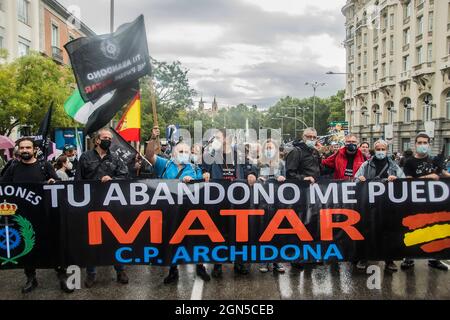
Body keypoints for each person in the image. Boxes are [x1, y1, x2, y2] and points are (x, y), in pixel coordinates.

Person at [1, 137, 73, 293]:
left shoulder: (44, 165)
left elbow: (57, 183)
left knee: (54, 245)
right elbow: (3, 187)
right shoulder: (13, 167)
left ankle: (62, 276)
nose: (25, 150)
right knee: (28, 247)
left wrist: (53, 181)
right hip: (23, 216)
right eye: (22, 148)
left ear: (34, 149)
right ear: (18, 150)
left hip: (46, 214)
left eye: (28, 147)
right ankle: (31, 278)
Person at [145, 127, 211, 284]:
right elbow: (149, 155)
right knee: (172, 239)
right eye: (180, 151)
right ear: (173, 153)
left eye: (186, 152)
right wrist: (152, 138)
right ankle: (173, 270)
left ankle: (200, 266)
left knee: (196, 238)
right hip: (170, 211)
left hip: (190, 210)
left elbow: (201, 187)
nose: (184, 154)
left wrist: (204, 178)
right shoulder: (164, 164)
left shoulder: (194, 167)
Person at [76, 128, 130, 287]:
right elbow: (78, 181)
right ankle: (91, 273)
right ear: (97, 140)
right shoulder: (85, 157)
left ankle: (120, 270)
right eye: (105, 137)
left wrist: (112, 178)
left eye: (109, 138)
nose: (108, 140)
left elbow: (125, 177)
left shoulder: (115, 158)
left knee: (116, 238)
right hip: (91, 205)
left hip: (112, 206)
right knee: (92, 240)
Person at [203, 129, 258, 278]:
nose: (219, 140)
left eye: (220, 137)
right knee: (219, 233)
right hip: (219, 200)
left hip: (238, 199)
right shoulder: (211, 155)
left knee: (239, 231)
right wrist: (204, 173)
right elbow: (202, 168)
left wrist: (252, 174)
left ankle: (239, 263)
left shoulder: (239, 154)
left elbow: (250, 168)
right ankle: (218, 264)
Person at [401, 133, 450, 271]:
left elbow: (442, 174)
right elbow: (408, 181)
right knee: (412, 230)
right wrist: (429, 177)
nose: (423, 145)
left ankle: (435, 258)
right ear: (415, 144)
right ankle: (409, 257)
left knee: (435, 229)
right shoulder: (409, 162)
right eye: (420, 142)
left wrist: (444, 175)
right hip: (415, 201)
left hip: (433, 202)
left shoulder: (434, 160)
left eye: (425, 142)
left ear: (429, 144)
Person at [354, 140, 406, 272]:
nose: (381, 151)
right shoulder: (366, 165)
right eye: (378, 149)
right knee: (367, 231)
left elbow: (404, 181)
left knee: (388, 233)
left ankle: (389, 260)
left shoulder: (394, 166)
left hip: (388, 206)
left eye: (383, 149)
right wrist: (359, 180)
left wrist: (396, 180)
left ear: (387, 150)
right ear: (374, 149)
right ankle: (364, 257)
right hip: (369, 206)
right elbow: (355, 180)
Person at [285, 128, 321, 269]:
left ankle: (311, 256)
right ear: (303, 136)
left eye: (314, 137)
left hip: (314, 195)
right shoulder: (296, 151)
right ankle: (296, 258)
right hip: (299, 194)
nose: (312, 139)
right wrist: (303, 178)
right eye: (309, 136)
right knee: (299, 226)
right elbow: (290, 173)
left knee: (312, 224)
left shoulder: (315, 152)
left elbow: (319, 170)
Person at [257, 139, 286, 274]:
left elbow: (287, 181)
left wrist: (281, 178)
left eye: (271, 147)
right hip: (262, 202)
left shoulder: (281, 164)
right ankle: (264, 260)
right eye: (267, 147)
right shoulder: (258, 163)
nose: (269, 150)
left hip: (277, 202)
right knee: (263, 231)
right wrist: (258, 180)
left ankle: (277, 261)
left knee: (277, 231)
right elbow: (251, 179)